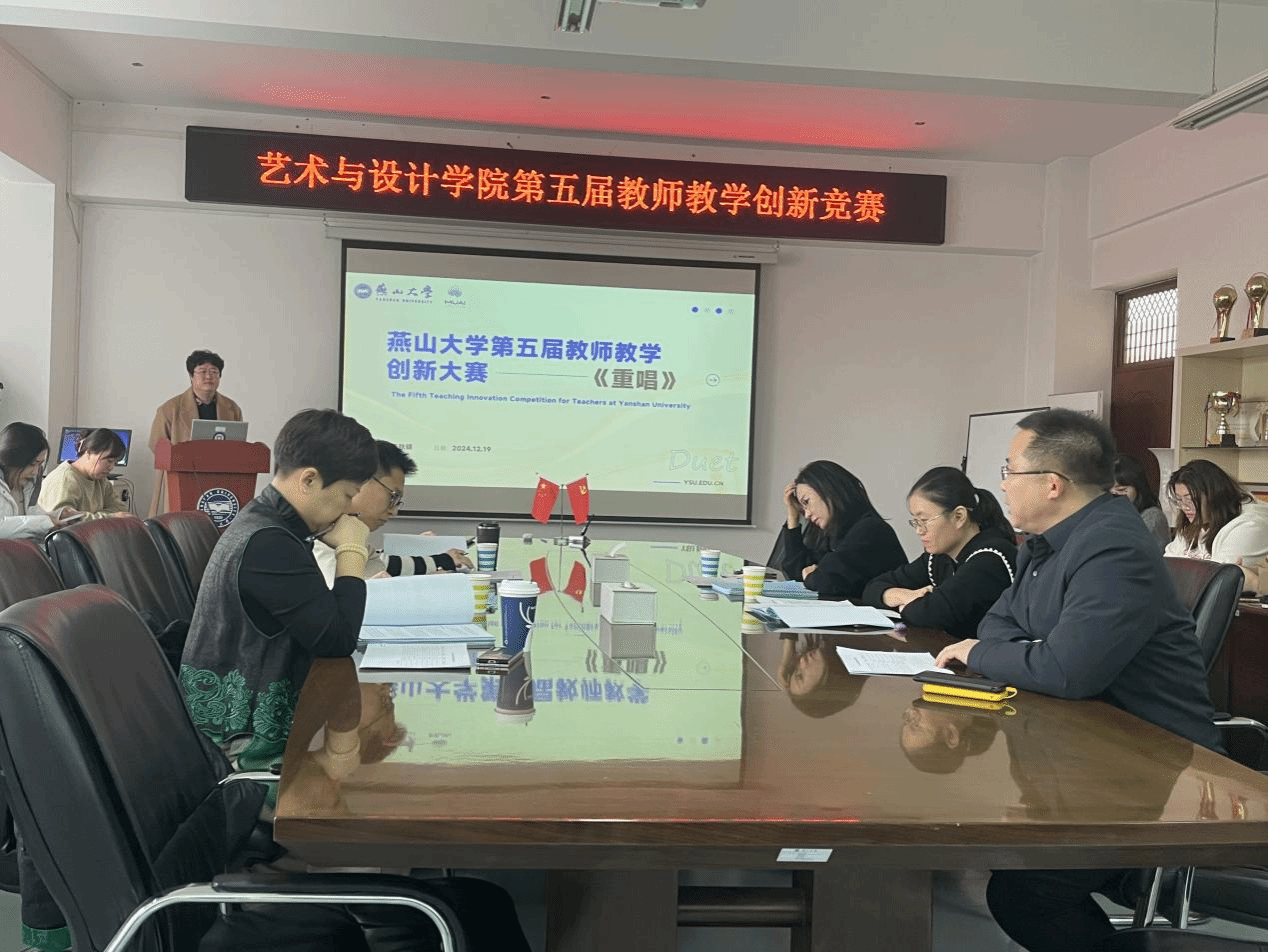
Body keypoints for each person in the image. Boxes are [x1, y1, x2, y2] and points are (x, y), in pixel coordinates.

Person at [933, 408, 1221, 952]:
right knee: (1011, 866)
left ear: (1052, 484)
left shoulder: (1112, 545)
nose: (1001, 484)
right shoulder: (1046, 542)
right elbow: (998, 623)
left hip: (1152, 769)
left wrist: (989, 653)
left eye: (1009, 470)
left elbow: (1067, 671)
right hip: (1084, 751)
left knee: (1026, 893)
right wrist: (1017, 652)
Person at [180, 408, 376, 771]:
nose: (349, 509)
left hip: (252, 727)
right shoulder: (269, 542)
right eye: (347, 495)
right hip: (244, 750)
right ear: (310, 479)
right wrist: (352, 549)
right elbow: (337, 641)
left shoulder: (266, 523)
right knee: (362, 776)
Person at [860, 467, 1017, 639]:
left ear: (959, 516)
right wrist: (904, 595)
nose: (919, 530)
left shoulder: (991, 558)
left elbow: (929, 614)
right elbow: (872, 588)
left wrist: (910, 604)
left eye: (924, 520)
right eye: (915, 521)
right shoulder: (938, 557)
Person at [312, 440, 473, 585]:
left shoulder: (351, 533)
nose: (393, 511)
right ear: (360, 480)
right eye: (393, 496)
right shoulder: (322, 538)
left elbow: (381, 570)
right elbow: (352, 597)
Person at [775, 460, 907, 599]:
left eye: (807, 502)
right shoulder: (834, 532)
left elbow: (824, 582)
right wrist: (793, 517)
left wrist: (811, 575)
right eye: (802, 508)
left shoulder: (870, 529)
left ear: (828, 490)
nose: (806, 514)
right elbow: (796, 572)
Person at [148, 349, 244, 516]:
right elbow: (157, 447)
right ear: (191, 376)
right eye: (202, 371)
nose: (209, 376)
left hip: (220, 483)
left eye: (214, 372)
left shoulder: (232, 408)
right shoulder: (170, 409)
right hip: (181, 481)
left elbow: (239, 446)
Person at [1164, 459, 1268, 588]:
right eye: (1179, 500)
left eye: (1190, 499)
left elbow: (1218, 581)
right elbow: (1166, 568)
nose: (1184, 507)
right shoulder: (1196, 519)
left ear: (1214, 495)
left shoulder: (1251, 524)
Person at [37, 428, 133, 519]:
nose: (111, 467)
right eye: (109, 461)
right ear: (88, 453)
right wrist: (109, 517)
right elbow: (64, 519)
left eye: (115, 463)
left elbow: (120, 510)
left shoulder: (101, 480)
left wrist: (90, 517)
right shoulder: (64, 479)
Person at [0, 422, 67, 541]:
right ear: (13, 459)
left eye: (40, 464)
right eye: (32, 464)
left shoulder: (27, 485)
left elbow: (32, 515)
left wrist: (59, 515)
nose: (36, 472)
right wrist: (45, 522)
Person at [1109, 453, 1169, 547]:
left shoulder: (1152, 517)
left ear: (1138, 488)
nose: (1114, 495)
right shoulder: (1102, 515)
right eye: (1108, 491)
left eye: (1121, 490)